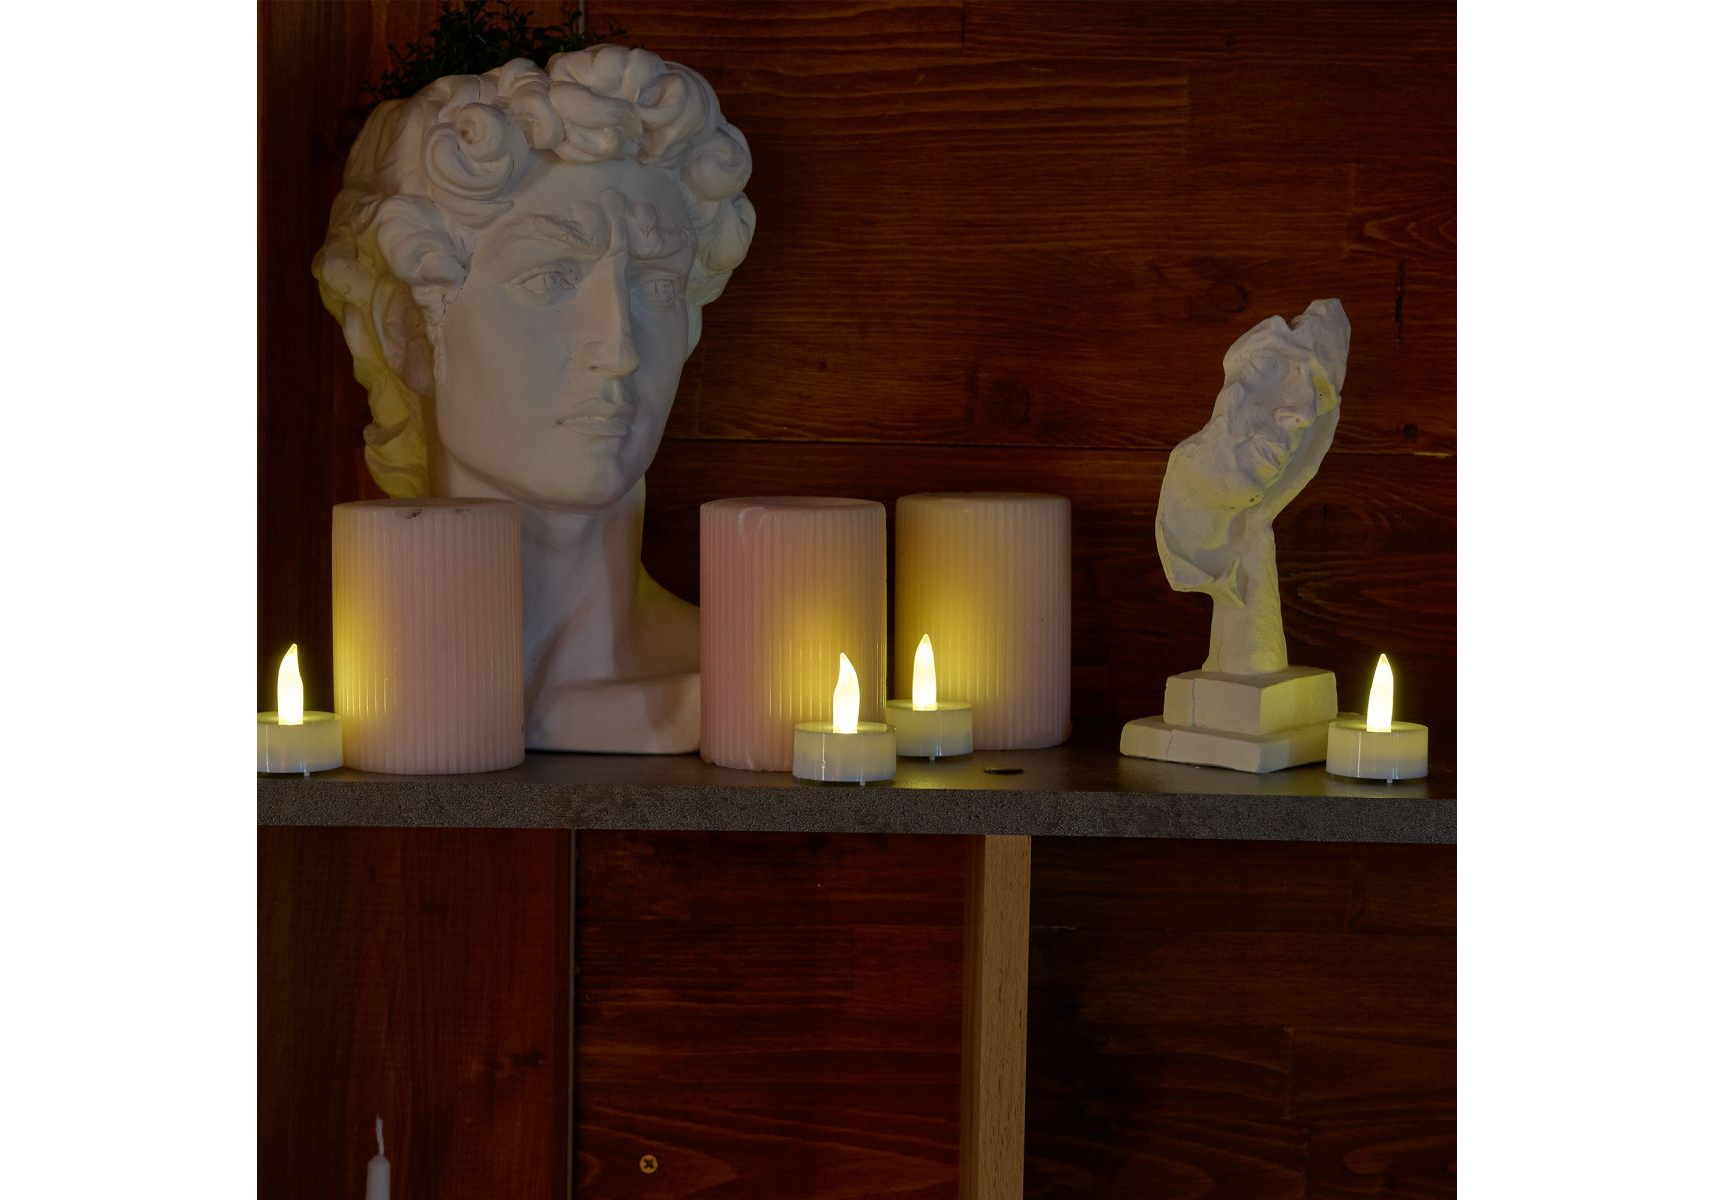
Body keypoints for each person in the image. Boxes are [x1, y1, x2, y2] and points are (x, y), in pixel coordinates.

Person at [314, 47, 756, 752]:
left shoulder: (752, 680)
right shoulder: (388, 694)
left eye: (656, 285)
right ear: (409, 334)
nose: (618, 348)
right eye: (549, 280)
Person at [1155, 299, 1350, 676]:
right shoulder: (1186, 520)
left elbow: (1258, 662)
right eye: (1282, 370)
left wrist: (1258, 525)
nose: (1305, 412)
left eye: (1319, 395)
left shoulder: (1248, 530)